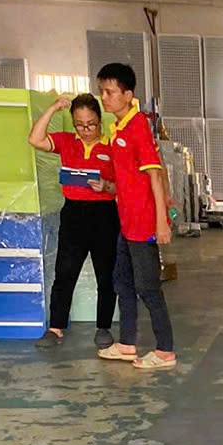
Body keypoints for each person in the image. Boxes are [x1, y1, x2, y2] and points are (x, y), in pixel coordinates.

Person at [92, 63, 176, 371]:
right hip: (126, 222)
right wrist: (107, 186)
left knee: (148, 287)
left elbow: (155, 175)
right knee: (122, 282)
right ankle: (127, 344)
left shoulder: (138, 126)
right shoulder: (119, 129)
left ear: (128, 95)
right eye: (102, 91)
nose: (104, 97)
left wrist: (161, 221)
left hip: (142, 223)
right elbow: (127, 179)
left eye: (110, 92)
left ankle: (165, 350)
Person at [27, 92, 119, 349]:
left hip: (104, 214)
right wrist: (54, 107)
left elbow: (124, 186)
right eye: (79, 124)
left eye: (91, 124)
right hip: (73, 214)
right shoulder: (66, 142)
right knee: (65, 272)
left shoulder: (112, 146)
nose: (86, 130)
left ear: (100, 120)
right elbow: (35, 139)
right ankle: (55, 328)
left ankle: (103, 327)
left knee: (106, 275)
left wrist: (106, 186)